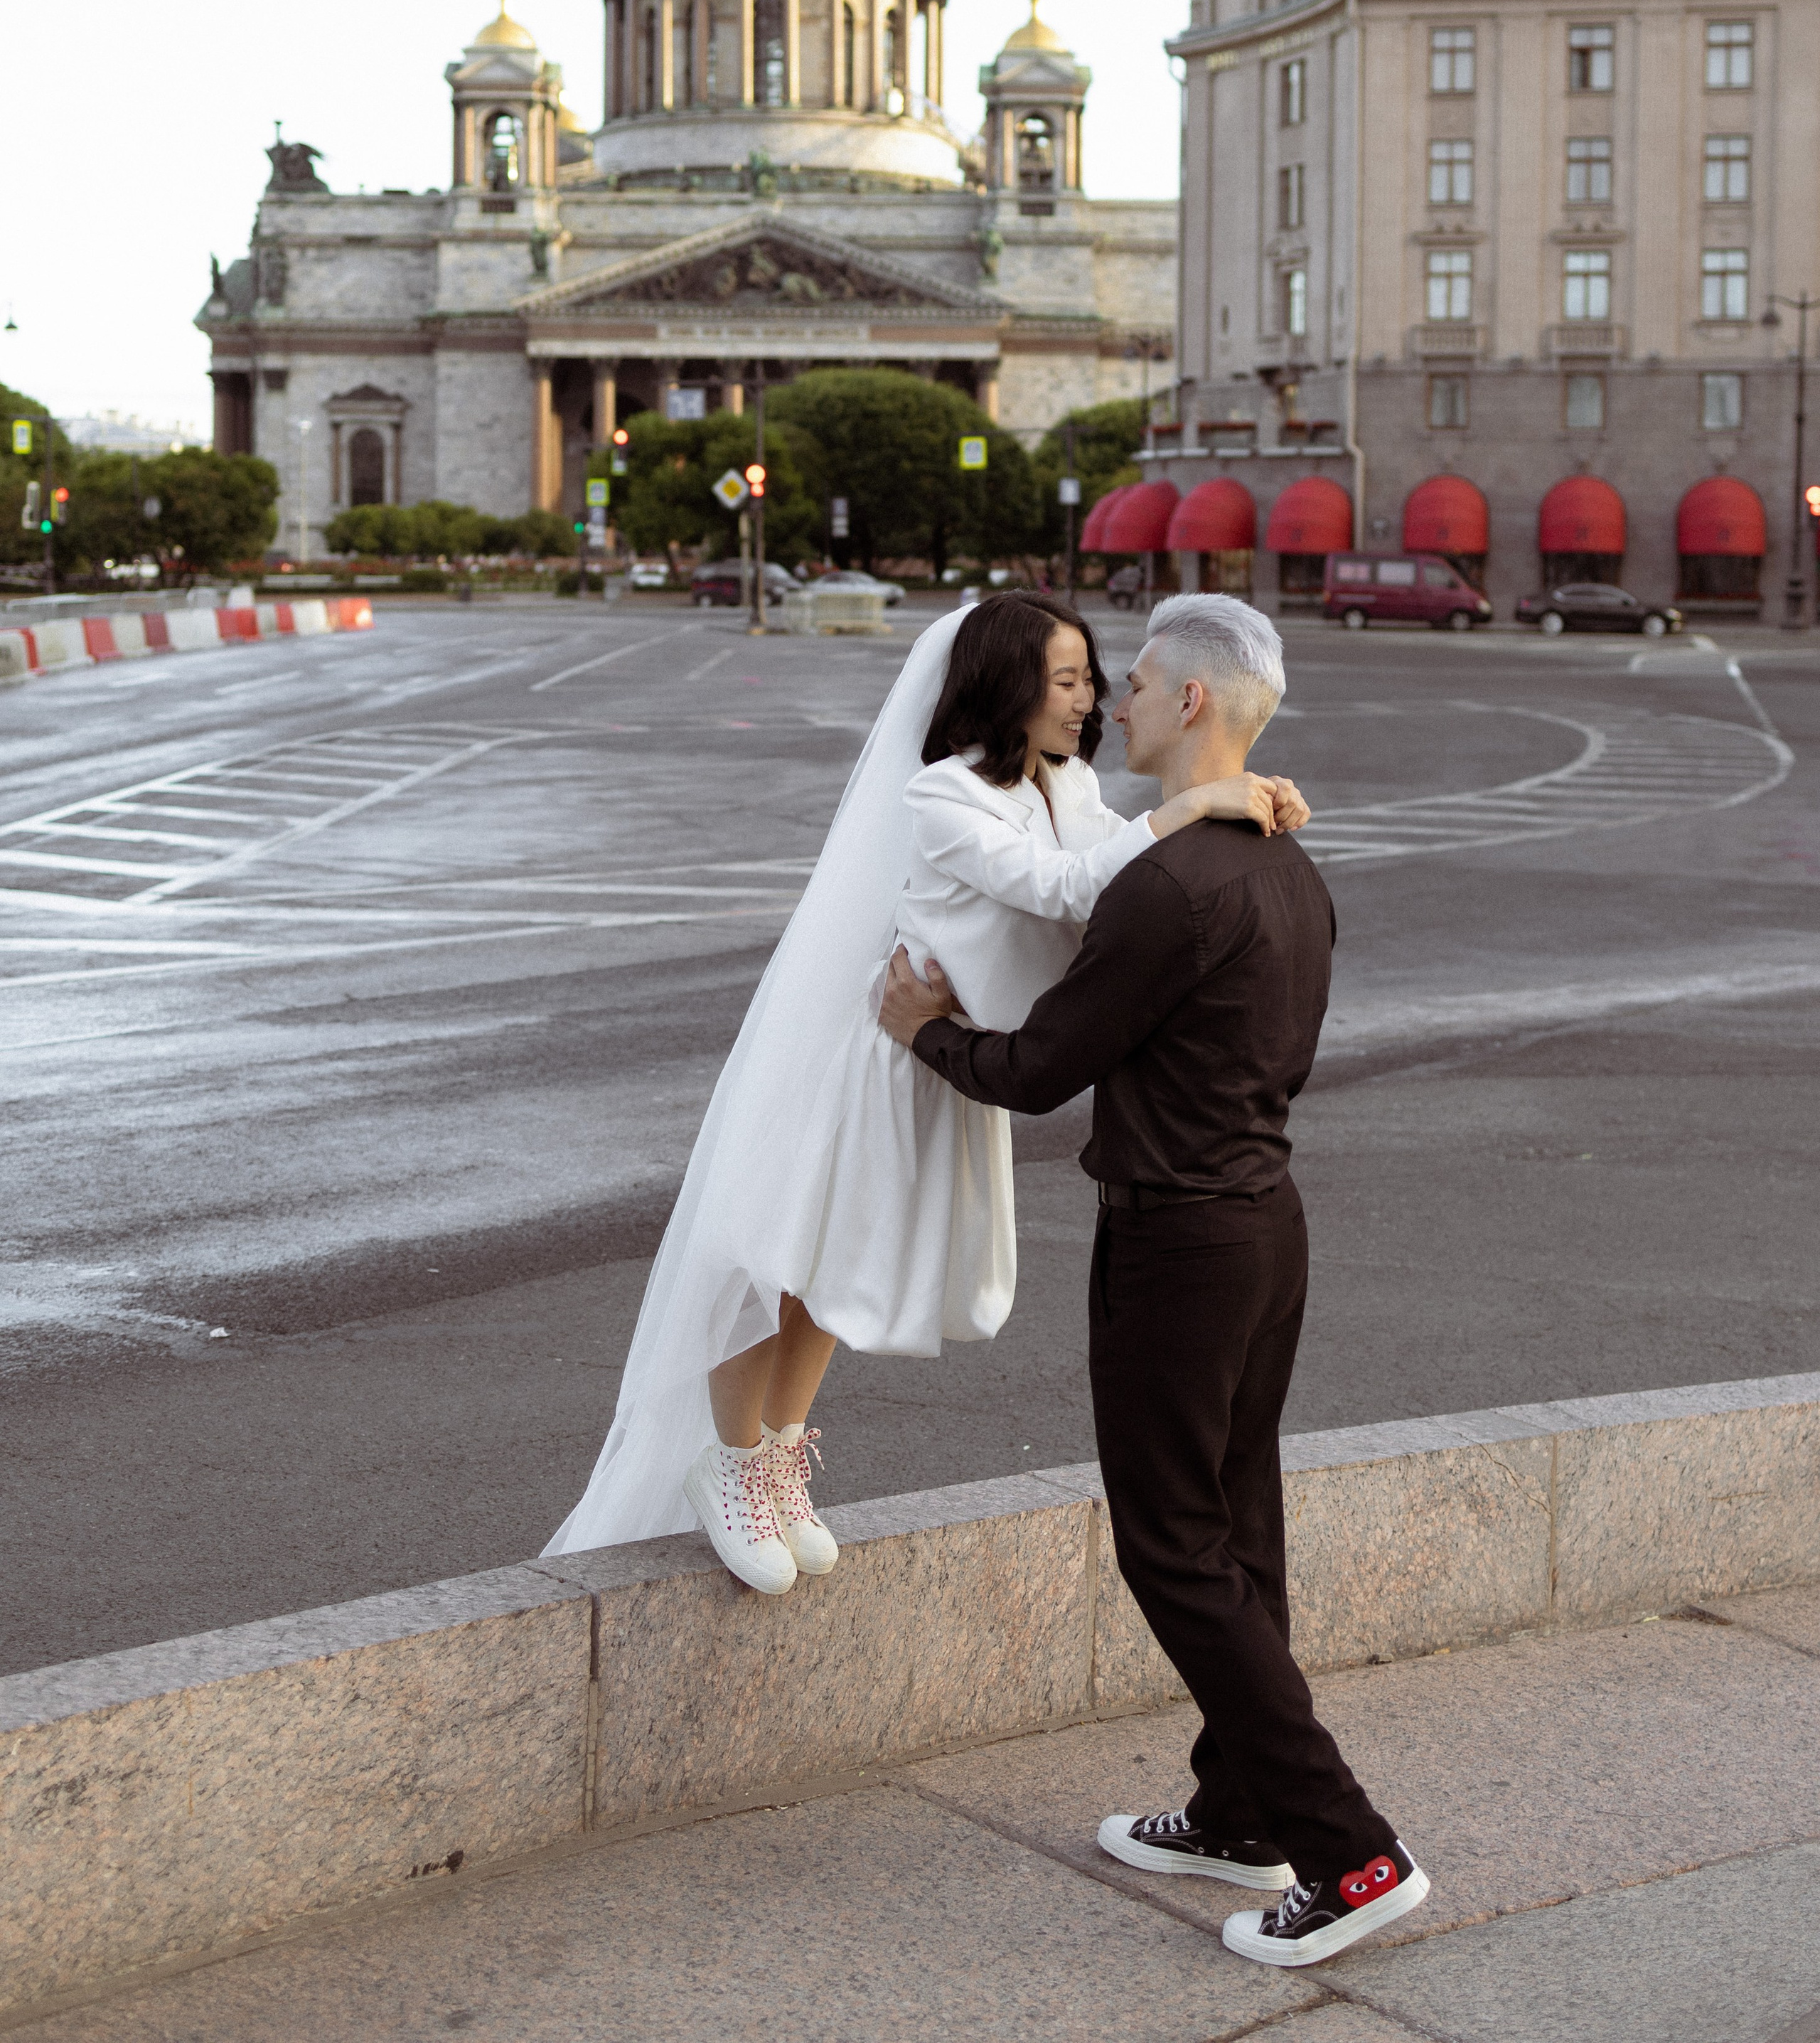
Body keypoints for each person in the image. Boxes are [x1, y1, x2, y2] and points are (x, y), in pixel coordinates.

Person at [545, 592, 1309, 1596]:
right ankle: (729, 1462)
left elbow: (1117, 864)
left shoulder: (1065, 784)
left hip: (936, 1061)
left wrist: (1240, 798)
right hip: (868, 1055)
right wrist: (1195, 806)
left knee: (839, 1267)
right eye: (1068, 680)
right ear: (1008, 686)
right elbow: (1064, 888)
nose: (1090, 699)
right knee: (776, 1250)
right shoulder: (943, 793)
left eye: (1092, 679)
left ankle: (779, 1451)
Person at [880, 592, 1429, 1970]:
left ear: (1189, 702)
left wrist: (925, 1029)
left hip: (1178, 1243)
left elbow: (1037, 1068)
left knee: (1174, 1548)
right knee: (1236, 1528)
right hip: (1262, 1227)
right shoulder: (1291, 869)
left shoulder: (1170, 885)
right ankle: (1238, 1812)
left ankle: (1349, 1852)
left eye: (1129, 682)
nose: (1110, 704)